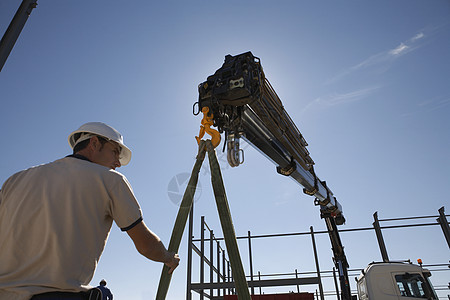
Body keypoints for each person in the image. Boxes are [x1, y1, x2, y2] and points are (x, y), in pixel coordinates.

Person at [0, 122, 180, 300]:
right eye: (114, 152)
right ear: (94, 143)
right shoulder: (110, 180)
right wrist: (168, 257)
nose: (118, 162)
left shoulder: (14, 180)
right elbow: (145, 245)